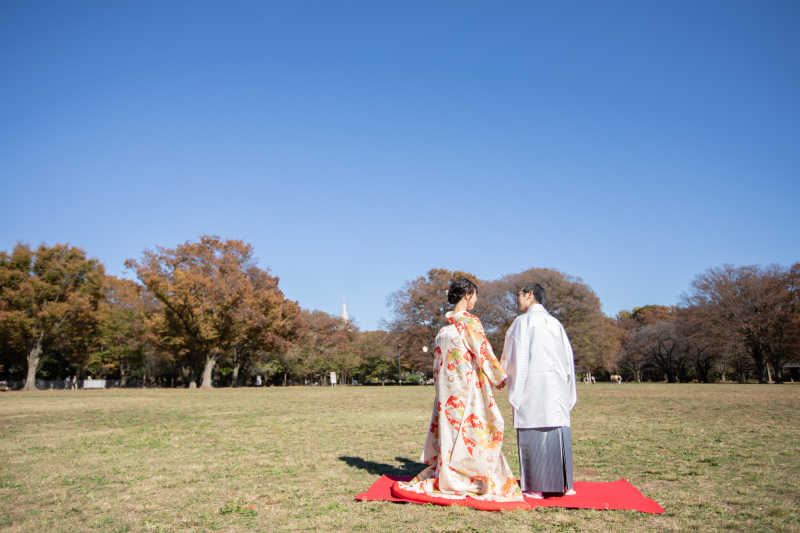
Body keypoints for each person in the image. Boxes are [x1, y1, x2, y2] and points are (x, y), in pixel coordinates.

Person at [396, 278, 524, 506]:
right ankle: (468, 476)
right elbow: (483, 351)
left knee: (450, 433)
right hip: (466, 390)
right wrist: (498, 376)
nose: (476, 300)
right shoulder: (469, 322)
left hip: (446, 393)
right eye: (475, 295)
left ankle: (448, 474)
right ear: (467, 295)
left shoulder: (444, 328)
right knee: (472, 431)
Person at [500, 283, 577, 499]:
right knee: (557, 426)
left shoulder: (522, 322)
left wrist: (501, 375)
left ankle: (535, 486)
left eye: (519, 295)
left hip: (532, 386)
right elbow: (568, 358)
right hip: (557, 386)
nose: (517, 299)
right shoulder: (555, 323)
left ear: (530, 294)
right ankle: (563, 485)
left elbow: (511, 354)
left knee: (533, 427)